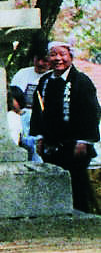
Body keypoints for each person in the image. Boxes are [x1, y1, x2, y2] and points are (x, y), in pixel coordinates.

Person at [29, 41, 99, 214]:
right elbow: (38, 111)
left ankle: (81, 219)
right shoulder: (45, 81)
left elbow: (91, 112)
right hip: (50, 145)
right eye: (53, 55)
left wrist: (84, 141)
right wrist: (38, 137)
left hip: (75, 145)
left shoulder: (81, 81)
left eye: (62, 54)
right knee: (54, 183)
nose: (58, 59)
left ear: (70, 56)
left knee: (77, 184)